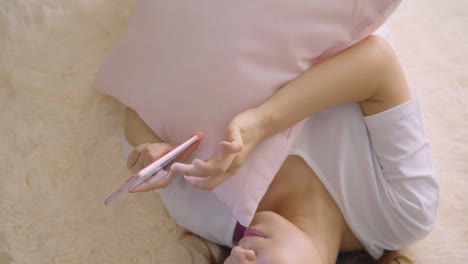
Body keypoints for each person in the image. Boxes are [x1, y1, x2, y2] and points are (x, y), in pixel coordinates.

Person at [122, 34, 438, 263]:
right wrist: (262, 123)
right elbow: (376, 64)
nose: (241, 256)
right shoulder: (402, 213)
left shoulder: (209, 212)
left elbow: (135, 110)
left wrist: (151, 148)